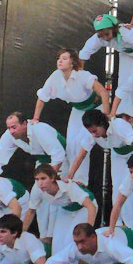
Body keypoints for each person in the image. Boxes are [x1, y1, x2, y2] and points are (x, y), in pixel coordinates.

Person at [31, 48, 110, 185]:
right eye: (59, 58)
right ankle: (69, 178)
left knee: (81, 143)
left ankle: (80, 181)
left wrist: (107, 115)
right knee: (71, 144)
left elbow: (103, 92)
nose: (60, 61)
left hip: (95, 110)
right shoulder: (55, 76)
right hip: (78, 110)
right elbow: (42, 97)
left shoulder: (83, 75)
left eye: (65, 58)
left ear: (73, 62)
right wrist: (35, 118)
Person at [0, 112, 68, 241]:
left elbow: (59, 153)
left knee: (55, 198)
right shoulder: (10, 135)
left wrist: (52, 178)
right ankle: (44, 237)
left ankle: (53, 237)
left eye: (14, 127)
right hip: (42, 163)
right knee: (40, 199)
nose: (11, 131)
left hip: (63, 161)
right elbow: (0, 151)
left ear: (24, 124)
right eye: (9, 128)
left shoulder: (39, 129)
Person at [22, 164, 96, 264]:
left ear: (52, 177)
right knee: (57, 247)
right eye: (37, 179)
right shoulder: (37, 190)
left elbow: (90, 207)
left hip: (83, 209)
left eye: (43, 178)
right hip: (65, 209)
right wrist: (20, 234)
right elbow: (31, 212)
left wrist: (88, 230)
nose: (40, 183)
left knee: (70, 245)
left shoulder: (68, 187)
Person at [69, 110, 133, 229]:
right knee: (117, 187)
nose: (93, 135)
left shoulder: (119, 125)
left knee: (130, 185)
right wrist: (69, 176)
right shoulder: (93, 135)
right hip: (118, 152)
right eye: (91, 132)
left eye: (95, 131)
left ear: (102, 123)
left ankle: (131, 227)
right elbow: (81, 155)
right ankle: (118, 225)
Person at [80, 13, 133, 120]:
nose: (105, 38)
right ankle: (121, 115)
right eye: (101, 36)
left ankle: (131, 117)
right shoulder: (99, 38)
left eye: (107, 34)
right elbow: (84, 54)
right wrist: (80, 73)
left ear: (114, 29)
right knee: (123, 82)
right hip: (126, 53)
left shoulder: (125, 32)